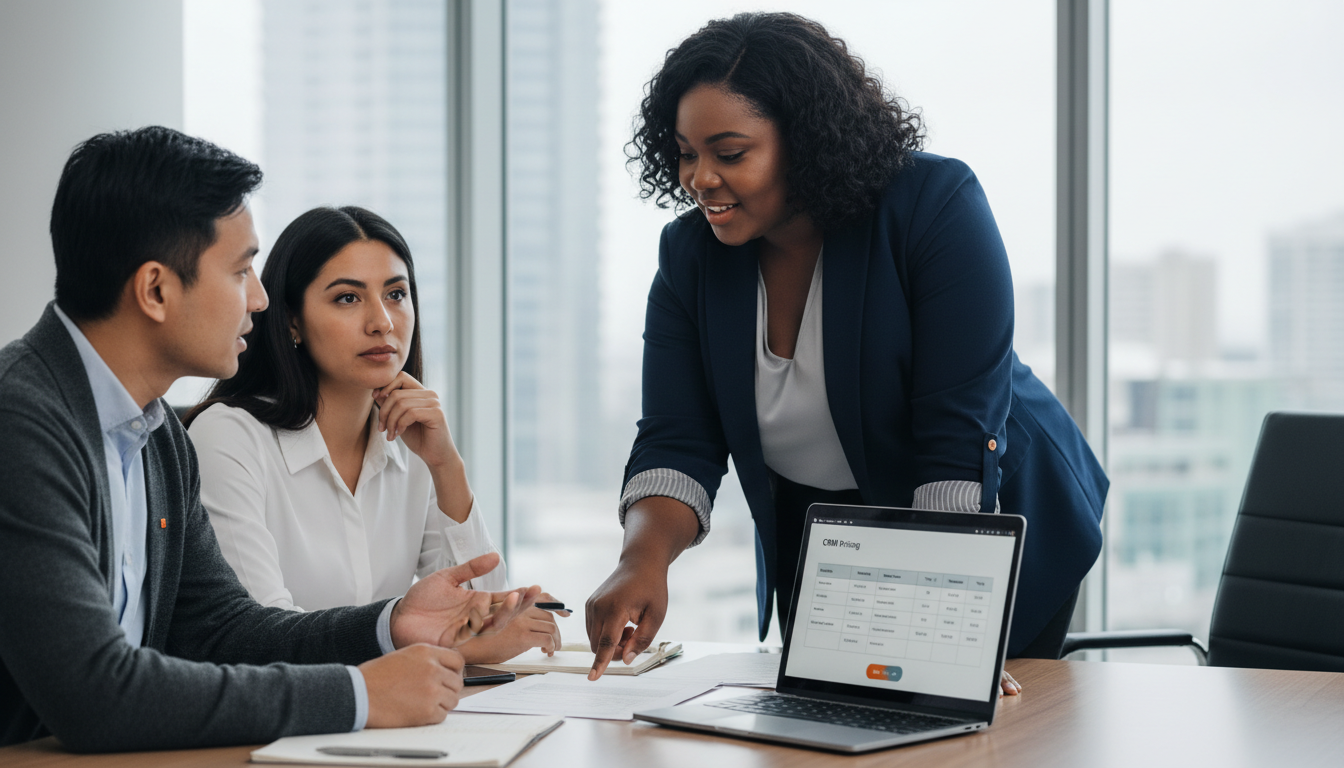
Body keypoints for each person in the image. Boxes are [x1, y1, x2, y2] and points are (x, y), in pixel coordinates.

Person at [584, 13, 1108, 693]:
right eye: (686, 152)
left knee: (959, 733)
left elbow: (953, 443)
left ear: (803, 143)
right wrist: (642, 561)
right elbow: (677, 439)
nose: (699, 177)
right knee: (834, 724)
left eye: (730, 152)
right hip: (830, 542)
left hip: (979, 526)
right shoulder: (692, 258)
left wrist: (949, 627)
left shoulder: (932, 206)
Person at [0, 127, 539, 751]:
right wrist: (361, 694)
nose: (258, 299)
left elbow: (225, 631)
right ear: (155, 290)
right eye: (239, 270)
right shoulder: (24, 420)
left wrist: (391, 624)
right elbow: (93, 694)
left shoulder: (157, 438)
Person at [184, 206, 565, 663]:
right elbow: (262, 643)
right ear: (291, 321)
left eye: (396, 294)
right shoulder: (230, 439)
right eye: (348, 298)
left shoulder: (410, 446)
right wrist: (433, 639)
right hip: (280, 723)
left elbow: (480, 613)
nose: (381, 321)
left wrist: (447, 466)